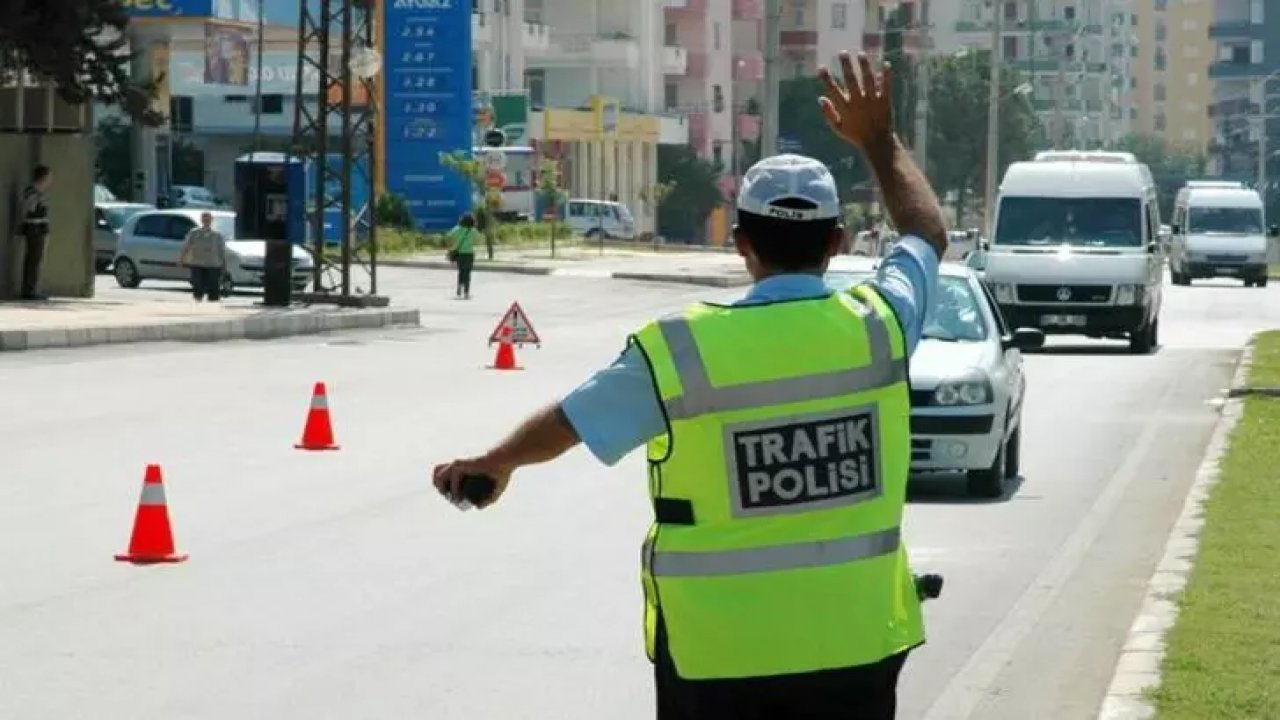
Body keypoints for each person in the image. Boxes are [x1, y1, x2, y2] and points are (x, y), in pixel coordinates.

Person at [433, 51, 949, 719]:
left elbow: (573, 420)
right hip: (856, 649)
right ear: (838, 242)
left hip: (718, 658)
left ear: (741, 244)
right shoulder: (881, 326)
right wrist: (880, 141)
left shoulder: (680, 350)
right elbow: (926, 233)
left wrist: (496, 463)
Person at [177, 211, 228, 302]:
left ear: (211, 220)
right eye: (204, 218)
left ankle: (213, 305)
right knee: (198, 285)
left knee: (213, 287)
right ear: (201, 220)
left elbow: (222, 251)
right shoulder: (194, 233)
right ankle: (198, 302)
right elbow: (186, 247)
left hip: (213, 264)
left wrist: (223, 265)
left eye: (208, 218)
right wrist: (181, 259)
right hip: (197, 263)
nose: (206, 220)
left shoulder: (217, 235)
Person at [19, 165, 52, 300]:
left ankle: (33, 288)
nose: (50, 181)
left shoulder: (40, 193)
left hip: (40, 230)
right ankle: (29, 290)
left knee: (36, 260)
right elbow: (29, 209)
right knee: (33, 260)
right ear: (42, 177)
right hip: (34, 230)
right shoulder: (32, 192)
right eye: (48, 177)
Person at [446, 212, 478, 299]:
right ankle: (466, 292)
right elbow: (477, 239)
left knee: (461, 271)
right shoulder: (473, 231)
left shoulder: (457, 229)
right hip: (469, 254)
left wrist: (452, 245)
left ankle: (459, 288)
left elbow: (448, 236)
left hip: (459, 254)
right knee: (467, 273)